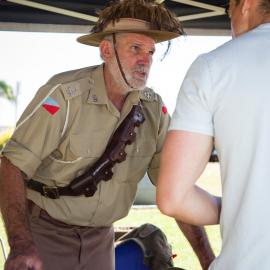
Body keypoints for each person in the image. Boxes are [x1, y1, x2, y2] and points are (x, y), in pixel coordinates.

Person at [0, 1, 215, 270]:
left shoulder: (153, 110)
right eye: (135, 49)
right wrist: (22, 244)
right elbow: (12, 165)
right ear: (106, 50)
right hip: (46, 233)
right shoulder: (65, 97)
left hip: (100, 239)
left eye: (150, 52)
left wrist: (208, 260)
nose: (145, 60)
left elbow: (174, 188)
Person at [157, 0, 270, 269]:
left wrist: (236, 208)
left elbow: (173, 198)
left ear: (247, 4)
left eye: (229, 7)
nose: (229, 17)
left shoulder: (213, 68)